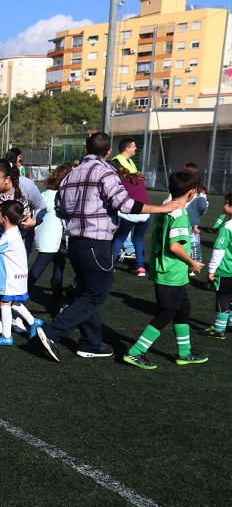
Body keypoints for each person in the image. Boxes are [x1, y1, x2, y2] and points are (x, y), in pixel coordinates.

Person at [36, 132, 189, 362]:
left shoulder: (72, 173)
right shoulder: (106, 171)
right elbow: (124, 204)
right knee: (96, 294)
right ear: (108, 152)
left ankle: (90, 342)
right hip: (96, 243)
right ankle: (53, 332)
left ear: (85, 149)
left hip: (75, 242)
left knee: (88, 291)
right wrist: (162, 208)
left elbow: (60, 206)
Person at [122, 171, 207, 369]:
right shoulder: (179, 214)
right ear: (192, 193)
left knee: (183, 311)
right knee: (166, 314)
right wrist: (192, 263)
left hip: (171, 272)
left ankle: (184, 353)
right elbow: (175, 246)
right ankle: (135, 352)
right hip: (171, 273)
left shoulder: (165, 208)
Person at [0, 200, 45, 346]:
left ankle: (6, 336)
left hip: (11, 277)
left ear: (4, 218)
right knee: (12, 302)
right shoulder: (14, 232)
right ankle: (33, 321)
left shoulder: (7, 237)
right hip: (19, 275)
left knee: (5, 302)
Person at [29, 163, 71, 302]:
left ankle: (57, 293)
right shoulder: (60, 196)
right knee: (37, 270)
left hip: (43, 235)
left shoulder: (46, 193)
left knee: (59, 261)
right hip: (51, 239)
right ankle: (18, 296)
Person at [110, 160, 152, 276]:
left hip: (130, 213)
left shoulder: (119, 181)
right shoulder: (137, 178)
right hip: (145, 213)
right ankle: (141, 268)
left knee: (119, 238)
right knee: (138, 239)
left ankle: (111, 265)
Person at [204, 192, 232, 339]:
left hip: (226, 271)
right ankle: (230, 323)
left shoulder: (227, 227)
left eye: (226, 203)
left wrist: (211, 270)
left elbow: (219, 250)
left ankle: (219, 329)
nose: (224, 205)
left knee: (223, 297)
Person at [181, 163, 208, 266]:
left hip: (185, 220)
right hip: (192, 221)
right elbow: (204, 207)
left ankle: (194, 262)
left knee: (187, 242)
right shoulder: (201, 190)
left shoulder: (188, 187)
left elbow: (203, 206)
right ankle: (195, 262)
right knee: (192, 243)